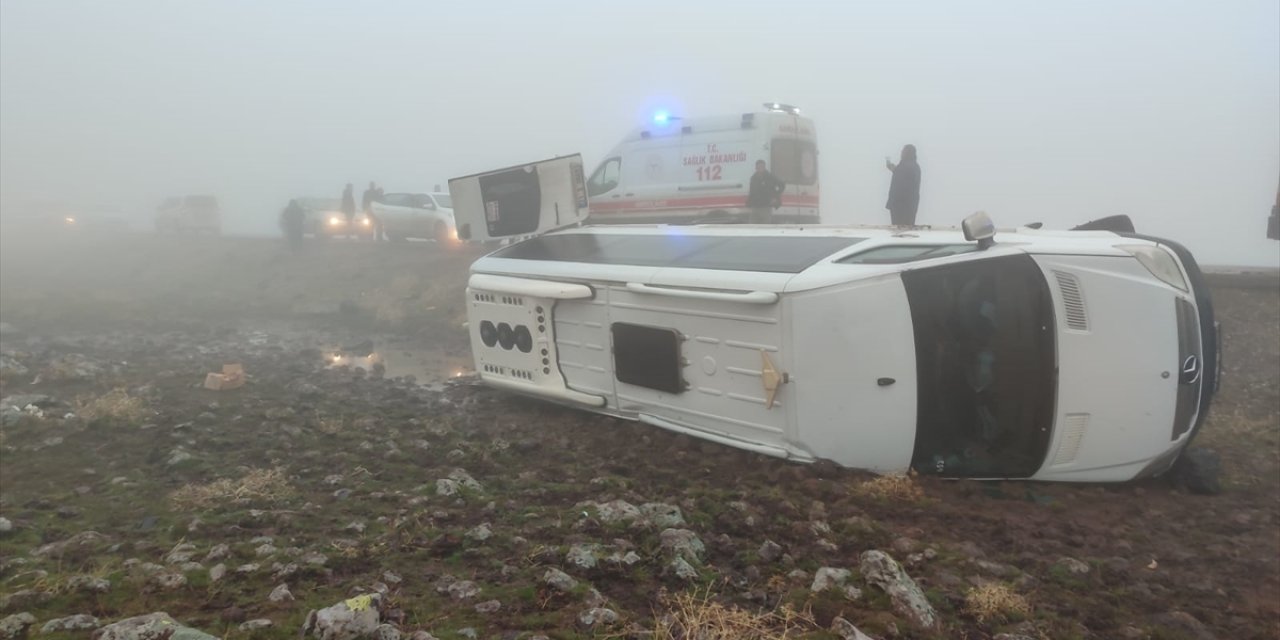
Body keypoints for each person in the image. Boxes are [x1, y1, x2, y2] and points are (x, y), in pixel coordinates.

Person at [885, 144, 921, 226]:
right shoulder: (913, 166)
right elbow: (905, 179)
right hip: (909, 204)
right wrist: (895, 170)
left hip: (901, 205)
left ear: (907, 153)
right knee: (906, 230)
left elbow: (903, 184)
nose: (901, 153)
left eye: (903, 151)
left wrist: (896, 170)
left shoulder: (907, 166)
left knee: (900, 229)